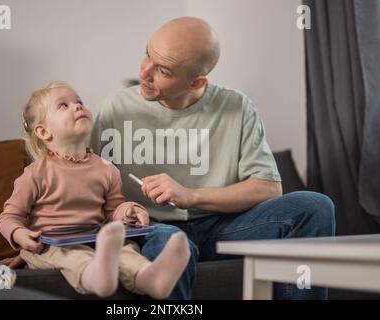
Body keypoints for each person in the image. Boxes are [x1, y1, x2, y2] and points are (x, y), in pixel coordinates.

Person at [89, 17, 336, 299]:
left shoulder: (237, 107)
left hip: (224, 227)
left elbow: (268, 187)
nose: (144, 72)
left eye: (163, 70)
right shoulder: (113, 108)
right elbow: (82, 177)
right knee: (171, 242)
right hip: (154, 227)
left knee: (316, 207)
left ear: (196, 81)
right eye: (147, 53)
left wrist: (190, 196)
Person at [0, 81, 191, 299]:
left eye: (79, 102)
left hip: (95, 239)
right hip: (50, 245)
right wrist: (19, 234)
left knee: (126, 249)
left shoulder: (106, 169)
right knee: (73, 256)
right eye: (63, 106)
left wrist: (129, 210)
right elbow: (8, 217)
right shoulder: (35, 174)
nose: (77, 107)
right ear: (43, 131)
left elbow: (114, 212)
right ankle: (98, 277)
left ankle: (150, 279)